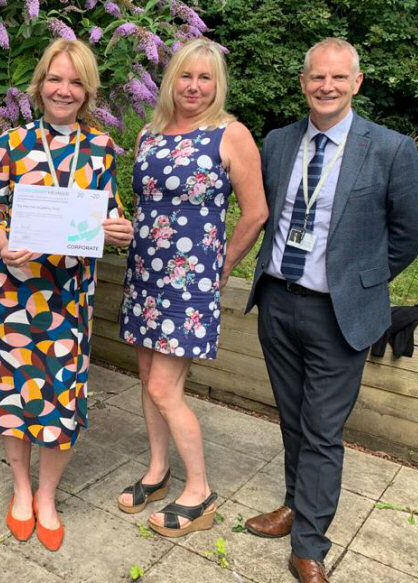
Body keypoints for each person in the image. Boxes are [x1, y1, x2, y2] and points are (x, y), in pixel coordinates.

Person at [243, 38, 418, 582]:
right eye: (316, 77)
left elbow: (412, 231)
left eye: (338, 78)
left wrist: (362, 282)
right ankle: (294, 504)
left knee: (323, 429)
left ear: (357, 82)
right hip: (278, 301)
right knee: (293, 418)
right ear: (303, 83)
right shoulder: (278, 142)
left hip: (339, 313)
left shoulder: (390, 149)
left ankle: (309, 544)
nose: (326, 87)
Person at [0, 38, 133, 551]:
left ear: (88, 91)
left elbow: (112, 213)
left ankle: (47, 495)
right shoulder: (12, 143)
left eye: (76, 81)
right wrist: (2, 242)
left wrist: (119, 230)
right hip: (17, 293)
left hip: (69, 298)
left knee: (61, 399)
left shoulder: (104, 148)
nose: (64, 90)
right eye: (55, 79)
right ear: (39, 85)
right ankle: (20, 490)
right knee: (16, 394)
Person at [116, 38, 268, 538]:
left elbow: (256, 213)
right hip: (145, 275)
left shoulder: (230, 135)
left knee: (164, 386)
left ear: (217, 85)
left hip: (189, 283)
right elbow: (147, 205)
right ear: (171, 79)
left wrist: (220, 269)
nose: (194, 87)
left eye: (205, 78)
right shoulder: (150, 134)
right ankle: (158, 472)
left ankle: (199, 491)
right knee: (148, 379)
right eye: (186, 76)